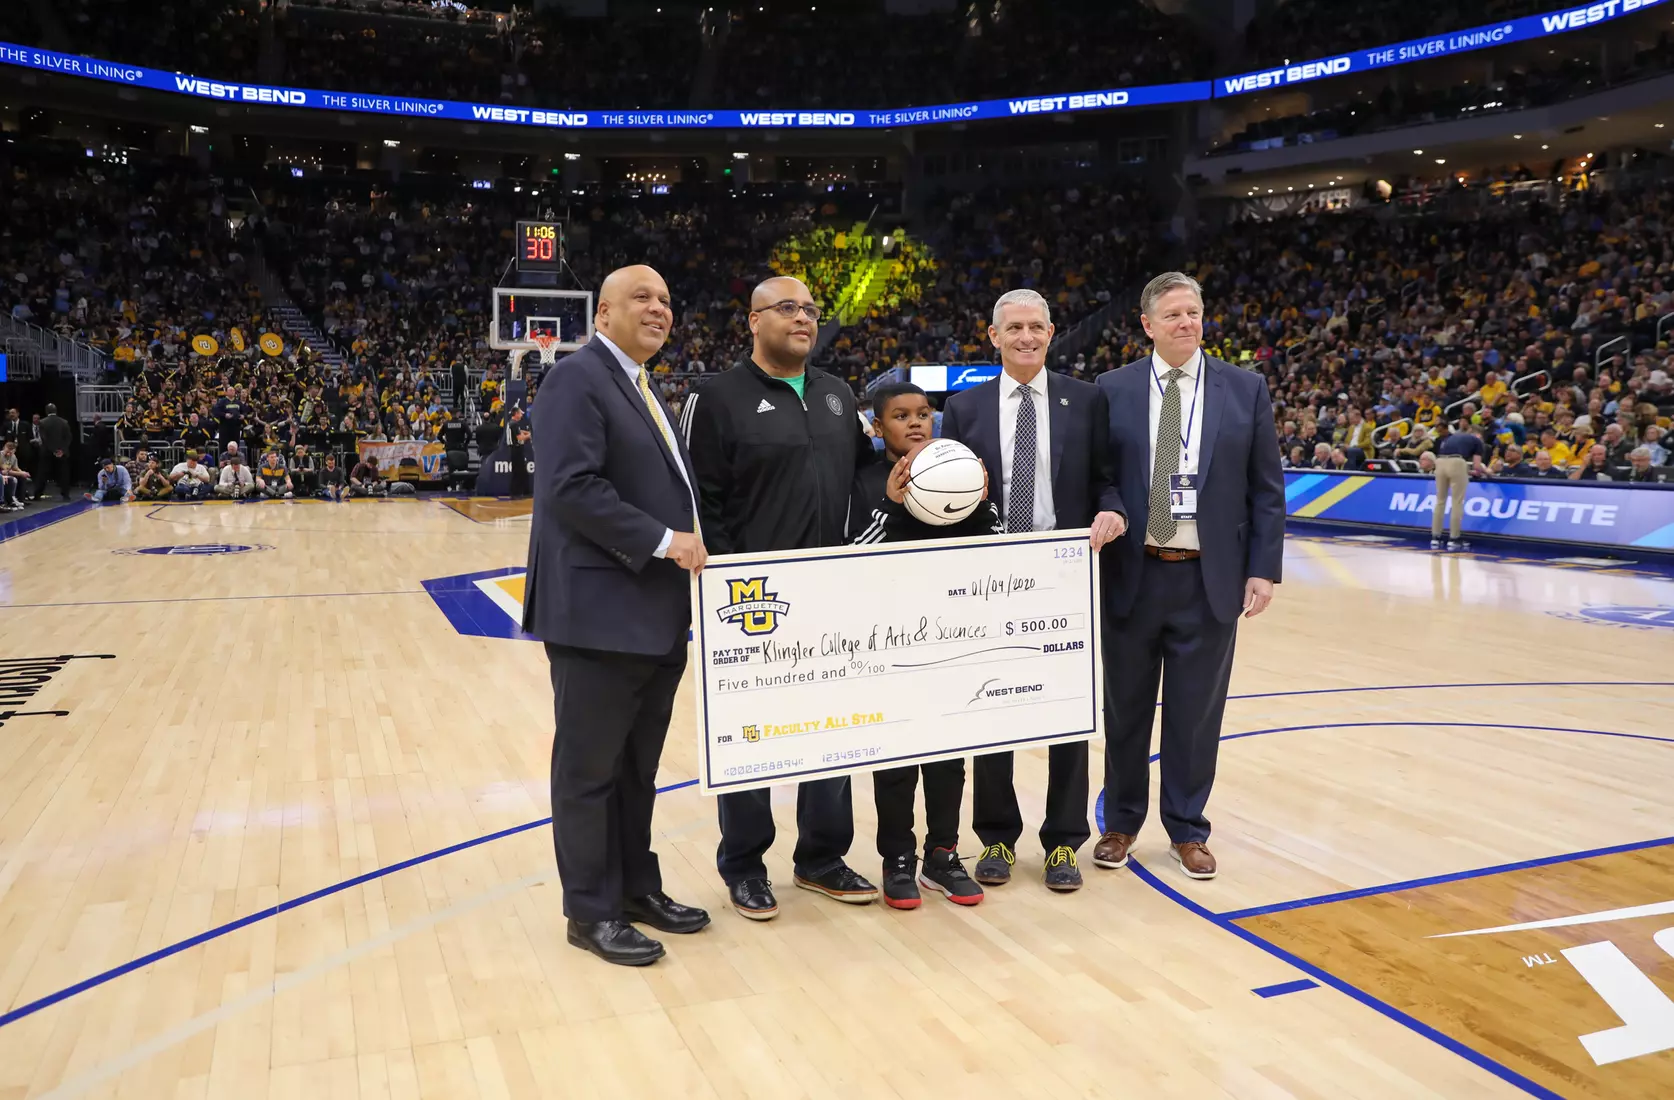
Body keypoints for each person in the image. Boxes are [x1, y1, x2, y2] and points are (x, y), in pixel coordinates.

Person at [521, 265, 710, 968]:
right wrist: (666, 541)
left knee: (637, 770)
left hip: (652, 614)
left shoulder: (640, 384)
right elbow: (571, 488)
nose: (659, 308)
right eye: (642, 298)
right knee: (589, 772)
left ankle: (636, 889)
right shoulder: (578, 378)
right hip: (598, 614)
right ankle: (591, 912)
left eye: (666, 298)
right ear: (602, 314)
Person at [681, 275, 881, 919]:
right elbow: (702, 500)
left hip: (832, 593)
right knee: (751, 735)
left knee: (833, 730)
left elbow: (860, 476)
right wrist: (727, 588)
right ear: (753, 320)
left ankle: (822, 857)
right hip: (751, 598)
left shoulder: (836, 393)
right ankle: (744, 865)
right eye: (789, 308)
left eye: (811, 311)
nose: (804, 318)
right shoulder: (716, 398)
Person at [1095, 271, 1284, 882]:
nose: (1186, 322)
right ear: (1147, 325)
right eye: (1173, 314)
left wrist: (1262, 569)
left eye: (1194, 312)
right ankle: (1121, 822)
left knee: (1196, 714)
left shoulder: (1246, 388)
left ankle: (1187, 828)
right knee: (1126, 710)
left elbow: (1267, 489)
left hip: (1210, 577)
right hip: (1133, 573)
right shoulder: (1111, 388)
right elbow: (1098, 475)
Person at [939, 288, 1126, 892]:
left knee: (1067, 712)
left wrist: (1113, 511)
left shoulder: (1086, 399)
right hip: (992, 576)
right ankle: (995, 834)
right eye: (1012, 327)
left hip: (1065, 571)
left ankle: (1064, 841)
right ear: (992, 336)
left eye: (1035, 327)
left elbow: (1106, 481)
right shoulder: (964, 408)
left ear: (1051, 333)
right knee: (994, 705)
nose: (1025, 337)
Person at [849, 382, 996, 910]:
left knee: (949, 756)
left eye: (923, 413)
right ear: (878, 425)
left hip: (954, 640)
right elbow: (850, 556)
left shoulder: (961, 473)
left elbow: (996, 550)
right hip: (888, 643)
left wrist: (981, 504)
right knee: (894, 758)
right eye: (899, 416)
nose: (915, 423)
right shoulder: (864, 480)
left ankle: (943, 853)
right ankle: (897, 857)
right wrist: (891, 505)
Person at [1432, 423, 1486, 550]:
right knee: (1457, 501)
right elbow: (1477, 466)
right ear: (1479, 434)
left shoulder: (1452, 437)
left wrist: (1465, 471)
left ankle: (1435, 537)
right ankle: (1454, 538)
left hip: (1439, 462)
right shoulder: (1477, 440)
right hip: (1457, 462)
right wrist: (1488, 472)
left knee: (1440, 501)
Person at [37, 403, 73, 500]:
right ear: (56, 411)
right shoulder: (64, 422)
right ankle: (66, 495)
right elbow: (68, 438)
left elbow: (44, 439)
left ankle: (37, 494)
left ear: (46, 411)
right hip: (62, 453)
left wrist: (53, 450)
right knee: (64, 474)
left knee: (43, 473)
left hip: (47, 453)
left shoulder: (42, 422)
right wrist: (61, 450)